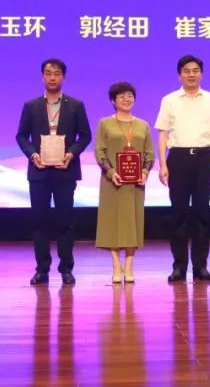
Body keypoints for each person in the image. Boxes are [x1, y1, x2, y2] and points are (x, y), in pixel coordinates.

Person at [16, 58, 92, 286]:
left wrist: (71, 153)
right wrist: (32, 154)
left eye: (57, 73)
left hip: (64, 170)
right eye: (48, 73)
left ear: (63, 77)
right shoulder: (31, 106)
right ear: (42, 77)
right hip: (39, 171)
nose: (52, 77)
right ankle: (42, 269)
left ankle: (66, 268)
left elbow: (85, 136)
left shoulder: (75, 105)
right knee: (39, 222)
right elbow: (21, 136)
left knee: (65, 222)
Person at [155, 54, 210, 283]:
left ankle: (201, 267)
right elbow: (163, 133)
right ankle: (179, 267)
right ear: (179, 75)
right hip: (178, 158)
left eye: (195, 70)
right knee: (179, 214)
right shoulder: (169, 100)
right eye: (186, 71)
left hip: (204, 158)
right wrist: (163, 164)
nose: (191, 74)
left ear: (201, 74)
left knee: (202, 214)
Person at [94, 82, 155, 284]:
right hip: (112, 181)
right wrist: (111, 172)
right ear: (113, 101)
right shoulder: (105, 124)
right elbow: (100, 152)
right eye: (121, 96)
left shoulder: (143, 125)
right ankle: (115, 266)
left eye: (130, 96)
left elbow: (149, 154)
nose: (126, 99)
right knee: (111, 222)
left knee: (132, 222)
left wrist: (145, 172)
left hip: (135, 183)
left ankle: (129, 266)